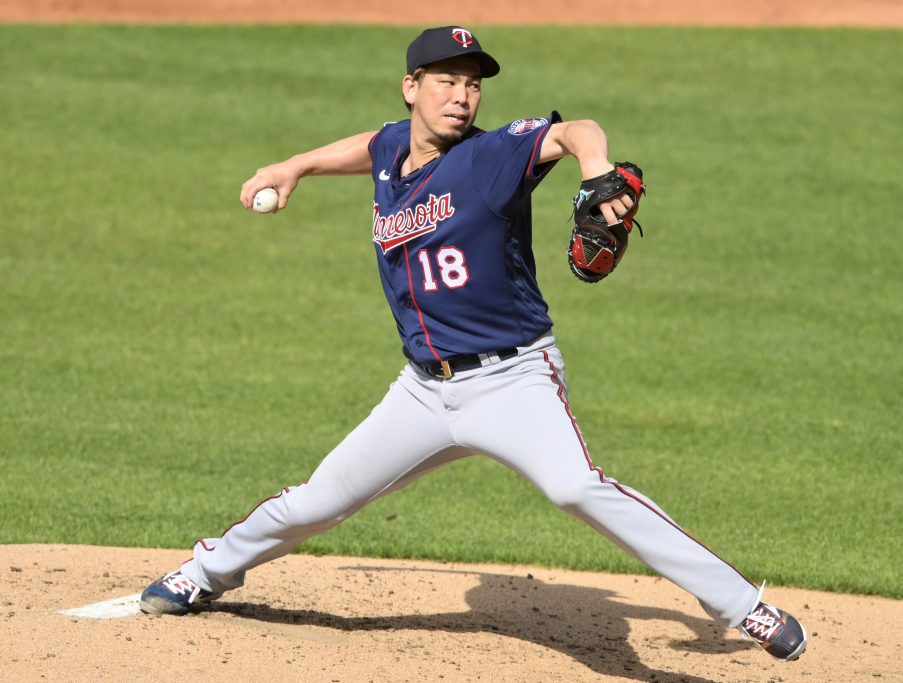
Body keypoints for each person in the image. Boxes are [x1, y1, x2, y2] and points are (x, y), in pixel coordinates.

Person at [140, 25, 808, 662]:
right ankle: (203, 573)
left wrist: (596, 164)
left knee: (576, 485)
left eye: (473, 84)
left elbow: (576, 131)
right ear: (412, 86)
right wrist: (296, 165)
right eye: (447, 81)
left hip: (513, 380)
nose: (462, 96)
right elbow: (372, 144)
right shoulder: (392, 151)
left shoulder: (493, 157)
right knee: (320, 499)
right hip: (424, 392)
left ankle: (745, 605)